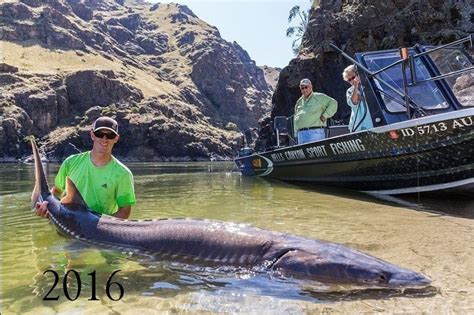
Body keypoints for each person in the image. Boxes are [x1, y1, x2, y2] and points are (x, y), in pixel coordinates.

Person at [35, 116, 136, 219]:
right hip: (67, 221)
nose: (104, 139)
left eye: (110, 135)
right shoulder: (71, 162)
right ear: (92, 135)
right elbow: (57, 191)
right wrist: (47, 206)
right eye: (99, 134)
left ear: (116, 138)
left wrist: (100, 227)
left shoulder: (123, 174)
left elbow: (124, 212)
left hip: (97, 231)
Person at [293, 78, 338, 144]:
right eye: (302, 88)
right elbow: (296, 117)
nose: (304, 90)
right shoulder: (299, 102)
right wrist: (296, 134)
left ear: (311, 86)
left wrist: (325, 115)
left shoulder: (319, 97)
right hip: (301, 135)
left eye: (306, 87)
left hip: (315, 133)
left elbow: (333, 103)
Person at [342, 65, 373, 132]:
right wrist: (356, 86)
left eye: (353, 77)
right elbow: (353, 103)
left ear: (358, 74)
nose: (352, 81)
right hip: (358, 124)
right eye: (349, 80)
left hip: (373, 122)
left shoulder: (372, 84)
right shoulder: (350, 91)